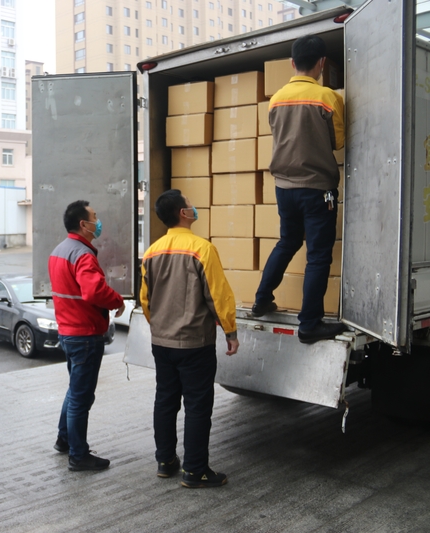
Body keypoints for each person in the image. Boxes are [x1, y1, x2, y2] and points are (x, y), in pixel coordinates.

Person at [140, 190, 239, 488]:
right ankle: (195, 470)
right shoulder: (202, 249)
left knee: (165, 400)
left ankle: (165, 461)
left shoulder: (151, 252)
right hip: (195, 343)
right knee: (197, 405)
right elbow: (217, 295)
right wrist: (230, 330)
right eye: (189, 204)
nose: (193, 207)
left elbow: (146, 299)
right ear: (183, 213)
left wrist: (160, 327)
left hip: (162, 342)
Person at [251, 34, 346, 344]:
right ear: (322, 63)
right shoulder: (327, 97)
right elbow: (339, 141)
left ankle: (262, 299)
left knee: (288, 241)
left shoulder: (276, 99)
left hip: (284, 188)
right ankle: (309, 325)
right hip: (318, 188)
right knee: (318, 257)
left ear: (292, 63)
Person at [48, 200, 125, 472]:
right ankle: (78, 456)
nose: (98, 221)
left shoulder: (59, 251)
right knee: (81, 398)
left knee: (75, 391)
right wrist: (117, 300)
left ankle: (64, 439)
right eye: (95, 217)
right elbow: (93, 291)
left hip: (68, 332)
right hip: (85, 335)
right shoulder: (82, 254)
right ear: (84, 224)